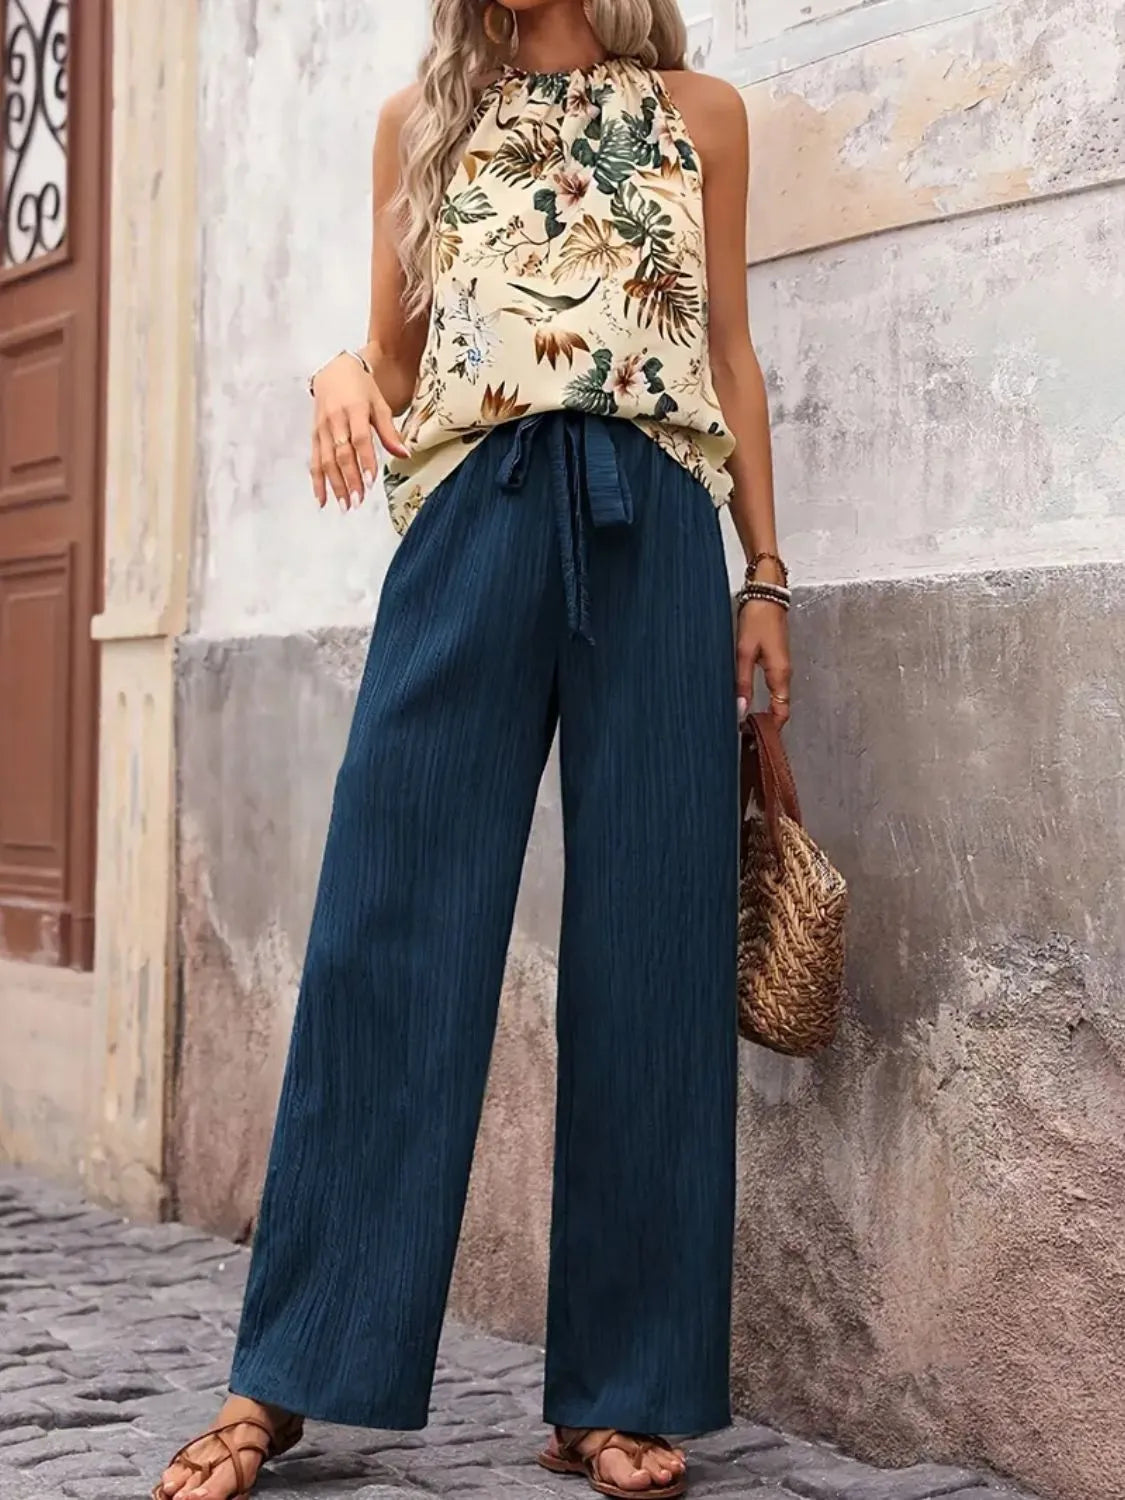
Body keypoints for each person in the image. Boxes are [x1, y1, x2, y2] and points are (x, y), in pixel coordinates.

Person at [155, 1, 789, 1496]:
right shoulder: (418, 122)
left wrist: (763, 576)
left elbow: (730, 350)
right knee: (391, 928)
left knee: (651, 952)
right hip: (469, 527)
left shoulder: (701, 114)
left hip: (650, 528)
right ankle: (287, 1374)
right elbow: (385, 357)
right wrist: (333, 375)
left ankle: (617, 1392)